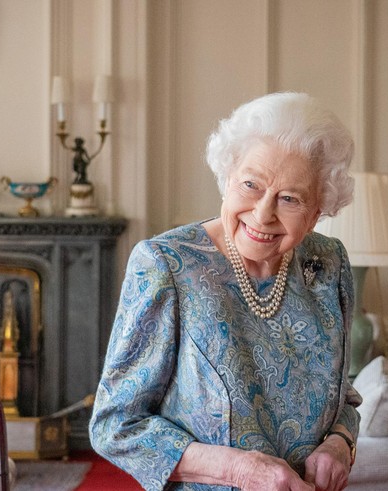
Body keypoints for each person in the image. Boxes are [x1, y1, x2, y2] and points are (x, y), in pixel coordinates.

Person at [89, 92, 361, 491]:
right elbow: (115, 426)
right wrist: (239, 470)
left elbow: (344, 394)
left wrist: (340, 443)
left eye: (290, 198)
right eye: (251, 184)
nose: (263, 213)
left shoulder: (328, 263)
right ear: (227, 176)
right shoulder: (165, 265)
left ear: (319, 209)